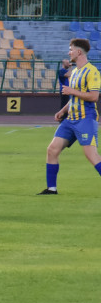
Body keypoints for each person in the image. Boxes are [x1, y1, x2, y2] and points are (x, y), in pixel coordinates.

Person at [37, 38, 101, 195]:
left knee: (91, 155)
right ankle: (52, 189)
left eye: (71, 49)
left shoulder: (92, 71)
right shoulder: (75, 72)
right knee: (52, 150)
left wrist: (71, 91)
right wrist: (63, 111)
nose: (69, 52)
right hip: (70, 120)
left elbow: (94, 97)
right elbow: (74, 98)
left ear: (79, 52)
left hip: (86, 119)